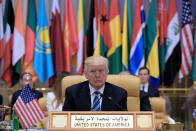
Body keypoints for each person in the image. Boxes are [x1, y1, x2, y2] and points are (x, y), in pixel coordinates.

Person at [62, 56, 127, 111]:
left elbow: (125, 121)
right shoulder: (73, 92)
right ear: (86, 74)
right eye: (93, 71)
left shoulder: (119, 94)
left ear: (107, 73)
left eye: (101, 71)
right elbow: (66, 119)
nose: (97, 75)